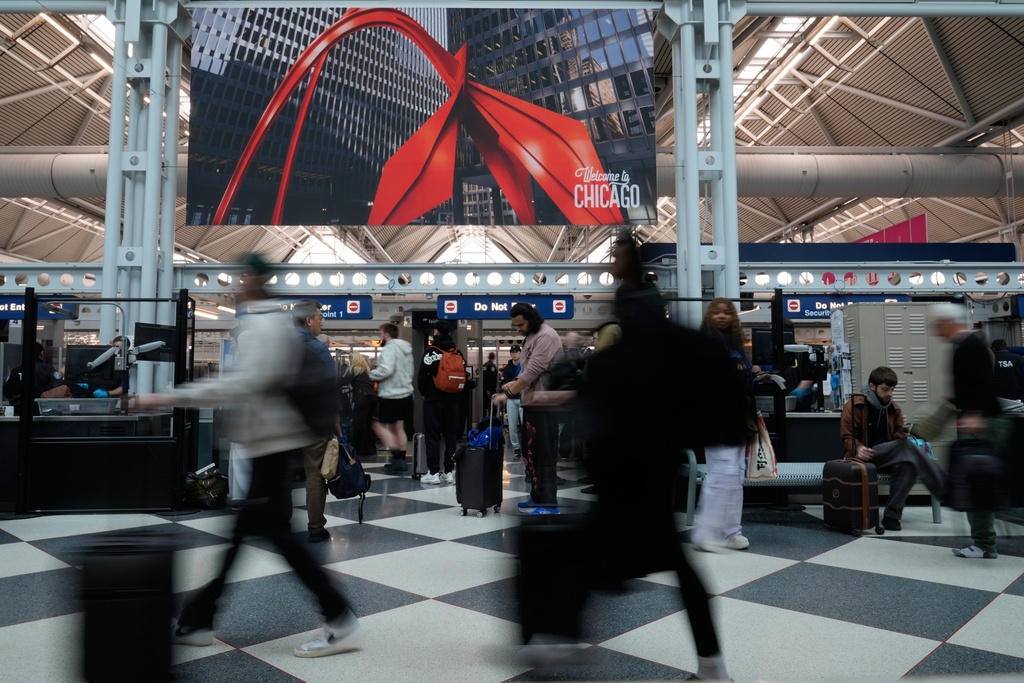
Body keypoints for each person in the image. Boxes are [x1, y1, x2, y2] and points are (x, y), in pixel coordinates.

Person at [526, 232, 738, 678]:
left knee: (593, 552)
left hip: (626, 465)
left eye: (616, 254)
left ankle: (553, 641)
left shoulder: (627, 340)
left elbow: (609, 397)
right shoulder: (671, 338)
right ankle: (711, 661)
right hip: (650, 464)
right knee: (666, 561)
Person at [136, 256, 360, 658]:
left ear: (254, 280)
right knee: (245, 537)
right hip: (269, 446)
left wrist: (167, 397)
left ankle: (339, 618)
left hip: (269, 448)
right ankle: (198, 619)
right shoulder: (271, 322)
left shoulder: (263, 325)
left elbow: (242, 385)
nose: (234, 285)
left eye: (239, 278)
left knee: (278, 540)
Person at [931, 304, 1010, 559]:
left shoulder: (968, 346)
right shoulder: (970, 343)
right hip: (982, 419)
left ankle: (985, 544)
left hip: (982, 424)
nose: (935, 330)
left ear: (948, 322)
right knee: (978, 483)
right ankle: (984, 541)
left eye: (937, 324)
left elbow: (983, 384)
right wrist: (957, 398)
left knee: (977, 484)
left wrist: (974, 413)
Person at [840, 365, 949, 531]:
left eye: (892, 389)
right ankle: (943, 489)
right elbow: (847, 436)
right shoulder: (855, 405)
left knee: (908, 464)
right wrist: (858, 448)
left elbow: (896, 435)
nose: (889, 394)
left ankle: (892, 517)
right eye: (885, 389)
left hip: (886, 456)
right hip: (862, 457)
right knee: (906, 448)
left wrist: (902, 433)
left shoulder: (893, 408)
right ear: (872, 387)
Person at [693, 297, 754, 551]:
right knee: (721, 474)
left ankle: (730, 532)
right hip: (715, 418)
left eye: (726, 313)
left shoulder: (736, 346)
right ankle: (705, 532)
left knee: (735, 475)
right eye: (716, 313)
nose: (721, 317)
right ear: (709, 316)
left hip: (737, 418)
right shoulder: (704, 344)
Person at [492, 302, 563, 514]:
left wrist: (509, 393)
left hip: (545, 403)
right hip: (531, 401)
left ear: (531, 318)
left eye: (520, 324)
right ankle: (537, 497)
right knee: (531, 452)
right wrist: (513, 382)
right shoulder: (531, 336)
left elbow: (533, 371)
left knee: (544, 454)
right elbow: (525, 370)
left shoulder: (546, 336)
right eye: (515, 325)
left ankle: (549, 503)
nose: (518, 329)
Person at [293, 299, 338, 543]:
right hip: (313, 422)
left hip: (283, 422)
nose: (322, 322)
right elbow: (330, 386)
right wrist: (335, 418)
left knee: (279, 476)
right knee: (315, 475)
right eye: (320, 317)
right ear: (309, 320)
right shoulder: (318, 348)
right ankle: (316, 528)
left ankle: (279, 526)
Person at [417, 324, 465, 485]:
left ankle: (433, 472)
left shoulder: (431, 351)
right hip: (453, 401)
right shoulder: (457, 352)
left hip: (433, 399)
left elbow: (422, 376)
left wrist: (425, 393)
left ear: (436, 332)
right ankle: (448, 472)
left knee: (433, 436)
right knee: (451, 436)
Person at [369, 322, 414, 473]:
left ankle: (397, 457)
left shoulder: (389, 348)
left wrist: (372, 373)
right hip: (406, 393)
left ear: (387, 334)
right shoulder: (406, 349)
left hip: (390, 394)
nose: (380, 336)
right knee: (398, 427)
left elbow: (387, 370)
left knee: (378, 426)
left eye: (381, 334)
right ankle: (401, 459)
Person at [3, 342, 62, 415]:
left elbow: (7, 390)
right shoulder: (48, 369)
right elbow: (58, 386)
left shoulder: (16, 370)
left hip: (17, 409)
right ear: (41, 354)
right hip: (40, 409)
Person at [348, 351, 378, 458]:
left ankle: (360, 450)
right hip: (373, 397)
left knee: (359, 425)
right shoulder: (368, 370)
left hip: (361, 397)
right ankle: (371, 449)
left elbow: (342, 381)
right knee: (370, 425)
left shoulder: (355, 369)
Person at [500, 345, 523, 458]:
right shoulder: (507, 368)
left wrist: (511, 384)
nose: (514, 354)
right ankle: (516, 447)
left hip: (522, 398)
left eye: (516, 352)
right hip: (511, 399)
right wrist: (514, 383)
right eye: (512, 352)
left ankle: (525, 446)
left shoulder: (523, 365)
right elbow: (504, 386)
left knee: (525, 425)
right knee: (512, 425)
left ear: (520, 353)